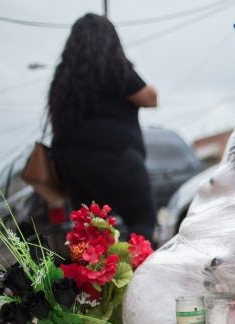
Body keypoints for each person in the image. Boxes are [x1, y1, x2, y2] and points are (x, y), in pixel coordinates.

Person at [48, 13, 158, 241]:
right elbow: (150, 98)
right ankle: (141, 273)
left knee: (87, 232)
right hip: (116, 156)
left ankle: (84, 274)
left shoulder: (64, 76)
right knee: (142, 222)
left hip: (72, 163)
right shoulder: (114, 68)